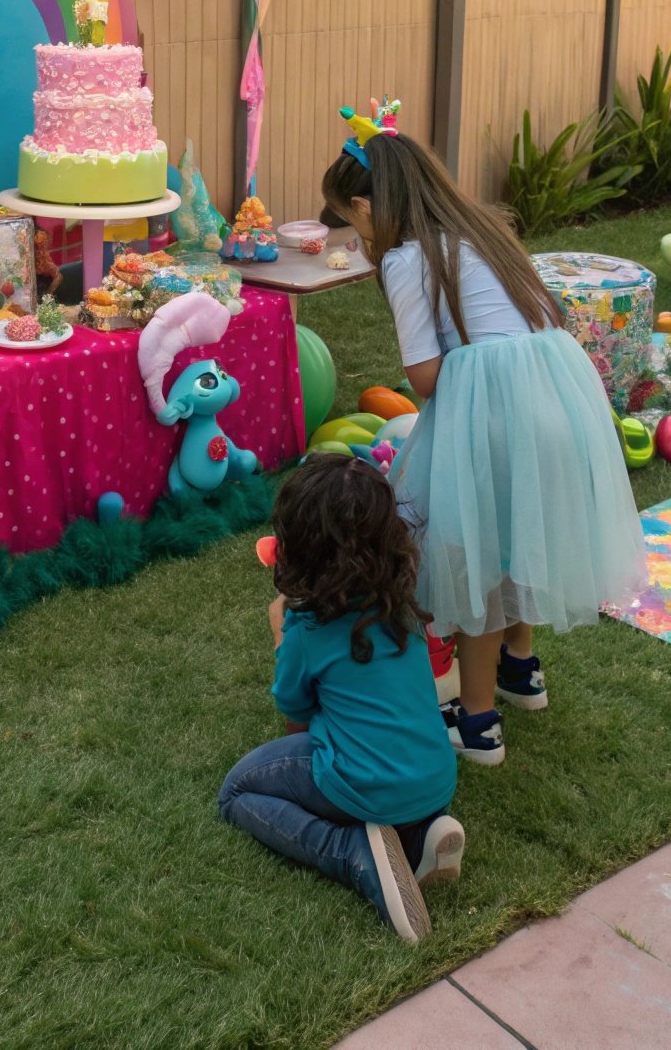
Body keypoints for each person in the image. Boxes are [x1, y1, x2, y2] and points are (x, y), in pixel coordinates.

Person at [321, 99, 646, 768]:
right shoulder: (484, 231)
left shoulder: (406, 259)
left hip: (492, 412)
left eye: (349, 221)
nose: (355, 236)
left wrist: (449, 369)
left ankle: (477, 724)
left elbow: (427, 377)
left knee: (472, 559)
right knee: (518, 534)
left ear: (363, 208)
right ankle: (520, 672)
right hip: (556, 400)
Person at [218, 454, 463, 943]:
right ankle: (420, 837)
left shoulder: (307, 630)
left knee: (237, 792)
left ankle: (353, 852)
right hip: (434, 780)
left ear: (300, 548)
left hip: (365, 781)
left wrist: (281, 637)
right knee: (378, 767)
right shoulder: (406, 612)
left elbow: (297, 719)